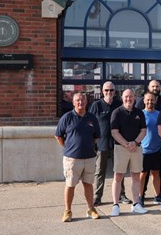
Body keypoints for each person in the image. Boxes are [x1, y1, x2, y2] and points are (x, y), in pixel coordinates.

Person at [55, 92, 101, 222]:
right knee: (70, 185)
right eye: (77, 100)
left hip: (90, 158)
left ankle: (90, 209)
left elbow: (97, 136)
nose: (80, 102)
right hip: (72, 159)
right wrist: (69, 147)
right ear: (73, 102)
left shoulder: (92, 118)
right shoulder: (67, 117)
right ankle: (67, 211)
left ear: (86, 102)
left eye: (82, 100)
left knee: (88, 184)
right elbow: (58, 136)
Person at [109, 89, 148, 216]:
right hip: (121, 148)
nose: (128, 99)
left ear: (134, 98)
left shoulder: (139, 113)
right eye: (126, 97)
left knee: (136, 176)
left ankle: (136, 204)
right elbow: (114, 132)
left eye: (131, 97)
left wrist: (135, 143)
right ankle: (115, 205)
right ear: (122, 98)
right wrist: (126, 144)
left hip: (136, 148)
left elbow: (143, 130)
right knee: (118, 177)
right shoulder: (117, 112)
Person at [88, 82, 127, 206]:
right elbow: (90, 124)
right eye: (106, 90)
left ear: (115, 92)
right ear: (102, 91)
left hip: (118, 143)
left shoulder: (118, 105)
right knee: (100, 171)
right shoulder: (96, 105)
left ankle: (122, 195)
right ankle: (97, 197)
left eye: (111, 90)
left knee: (119, 170)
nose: (109, 92)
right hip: (101, 144)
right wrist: (92, 141)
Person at [139, 92, 161, 206]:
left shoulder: (159, 114)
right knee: (142, 174)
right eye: (148, 100)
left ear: (155, 100)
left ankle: (157, 195)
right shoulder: (140, 114)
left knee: (156, 173)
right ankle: (140, 196)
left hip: (157, 149)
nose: (150, 102)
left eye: (152, 100)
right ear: (144, 100)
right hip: (143, 150)